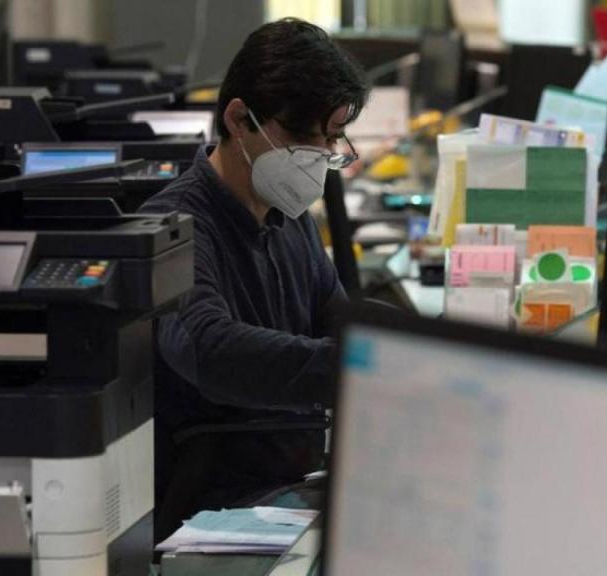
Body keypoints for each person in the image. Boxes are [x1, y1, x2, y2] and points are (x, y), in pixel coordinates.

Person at [140, 18, 368, 539]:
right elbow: (208, 348)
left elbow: (338, 319)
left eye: (330, 140)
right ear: (240, 119)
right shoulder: (174, 228)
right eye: (302, 139)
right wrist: (357, 367)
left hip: (290, 484)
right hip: (220, 509)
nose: (317, 157)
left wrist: (418, 345)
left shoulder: (289, 219)